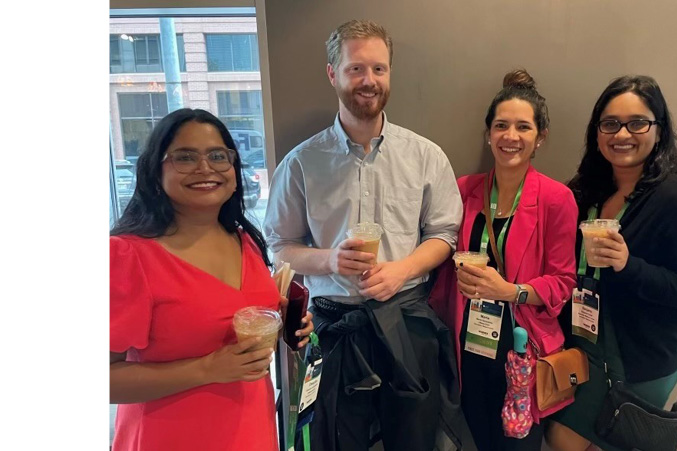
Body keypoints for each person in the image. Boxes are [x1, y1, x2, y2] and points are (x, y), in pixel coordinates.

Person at [263, 19, 473, 451]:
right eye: (356, 69)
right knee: (337, 441)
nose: (368, 81)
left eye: (378, 69)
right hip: (333, 326)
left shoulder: (426, 156)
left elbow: (445, 234)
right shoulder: (301, 163)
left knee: (414, 441)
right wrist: (329, 261)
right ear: (332, 74)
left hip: (406, 321)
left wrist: (402, 270)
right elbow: (279, 247)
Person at [110, 108, 314, 451]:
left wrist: (282, 322)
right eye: (185, 157)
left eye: (218, 156)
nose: (205, 168)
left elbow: (229, 320)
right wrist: (207, 369)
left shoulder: (243, 239)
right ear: (154, 170)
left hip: (251, 429)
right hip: (169, 437)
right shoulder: (128, 256)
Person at [429, 69, 578, 451]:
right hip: (469, 346)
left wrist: (512, 291)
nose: (511, 137)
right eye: (501, 126)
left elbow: (564, 282)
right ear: (488, 134)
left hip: (521, 352)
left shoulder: (556, 199)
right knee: (478, 437)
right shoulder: (464, 190)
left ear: (539, 138)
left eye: (523, 127)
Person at [546, 75, 677, 451]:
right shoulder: (585, 188)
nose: (622, 134)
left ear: (658, 130)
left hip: (641, 356)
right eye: (610, 123)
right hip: (586, 347)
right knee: (567, 438)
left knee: (579, 440)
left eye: (637, 123)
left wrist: (629, 266)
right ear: (597, 132)